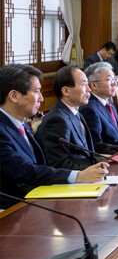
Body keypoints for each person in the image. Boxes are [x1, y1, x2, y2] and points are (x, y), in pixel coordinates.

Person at [0, 64, 108, 209]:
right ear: (14, 96)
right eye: (36, 91)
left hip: (38, 198)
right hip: (14, 208)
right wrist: (78, 176)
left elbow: (40, 165)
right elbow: (23, 171)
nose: (41, 98)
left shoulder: (22, 124)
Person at [35, 66, 101, 170]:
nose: (89, 89)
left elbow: (89, 154)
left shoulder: (75, 112)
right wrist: (92, 171)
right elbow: (60, 165)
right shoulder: (57, 121)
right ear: (66, 91)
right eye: (83, 84)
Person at [80, 62, 118, 154]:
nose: (115, 83)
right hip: (113, 157)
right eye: (109, 79)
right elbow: (97, 147)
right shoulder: (89, 109)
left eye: (114, 78)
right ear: (94, 85)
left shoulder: (108, 102)